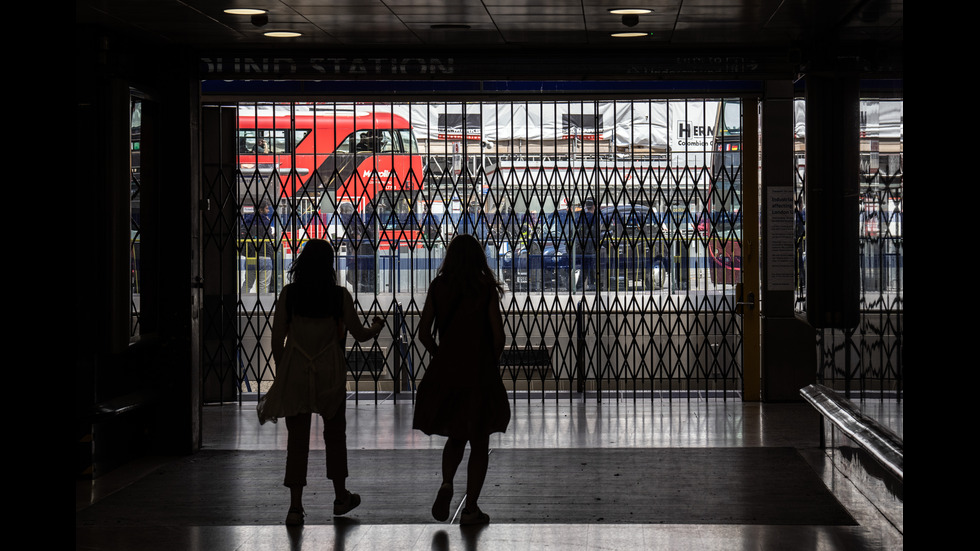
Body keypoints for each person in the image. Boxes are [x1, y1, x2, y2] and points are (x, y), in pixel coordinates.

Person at [257, 239, 384, 526]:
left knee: (297, 441)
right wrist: (377, 326)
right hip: (330, 373)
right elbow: (360, 334)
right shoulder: (339, 296)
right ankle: (341, 497)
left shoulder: (289, 295)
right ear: (329, 265)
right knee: (335, 436)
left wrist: (285, 370)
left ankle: (295, 507)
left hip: (297, 371)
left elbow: (278, 340)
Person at [413, 234, 510, 525]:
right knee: (479, 441)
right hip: (478, 371)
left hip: (448, 369)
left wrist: (440, 355)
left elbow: (423, 333)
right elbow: (499, 336)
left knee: (456, 435)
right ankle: (470, 509)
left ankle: (446, 483)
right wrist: (488, 364)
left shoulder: (439, 286)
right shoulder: (485, 289)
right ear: (479, 258)